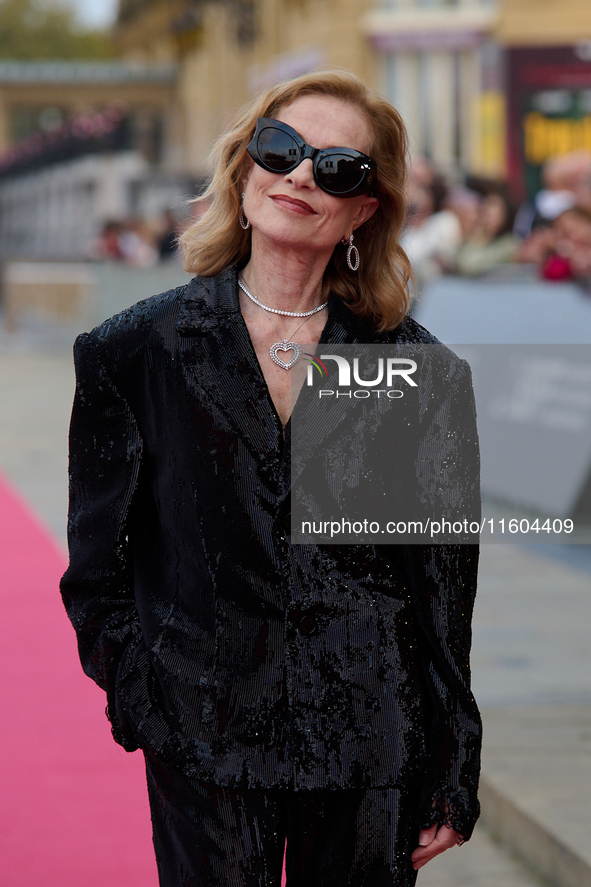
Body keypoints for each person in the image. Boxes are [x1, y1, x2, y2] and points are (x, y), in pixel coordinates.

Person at [60, 69, 481, 887]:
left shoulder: (414, 368)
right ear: (243, 165)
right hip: (202, 728)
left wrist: (452, 758)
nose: (299, 176)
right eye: (281, 149)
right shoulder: (135, 352)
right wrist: (147, 700)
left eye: (337, 168)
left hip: (370, 737)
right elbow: (96, 568)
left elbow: (439, 589)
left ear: (366, 208)